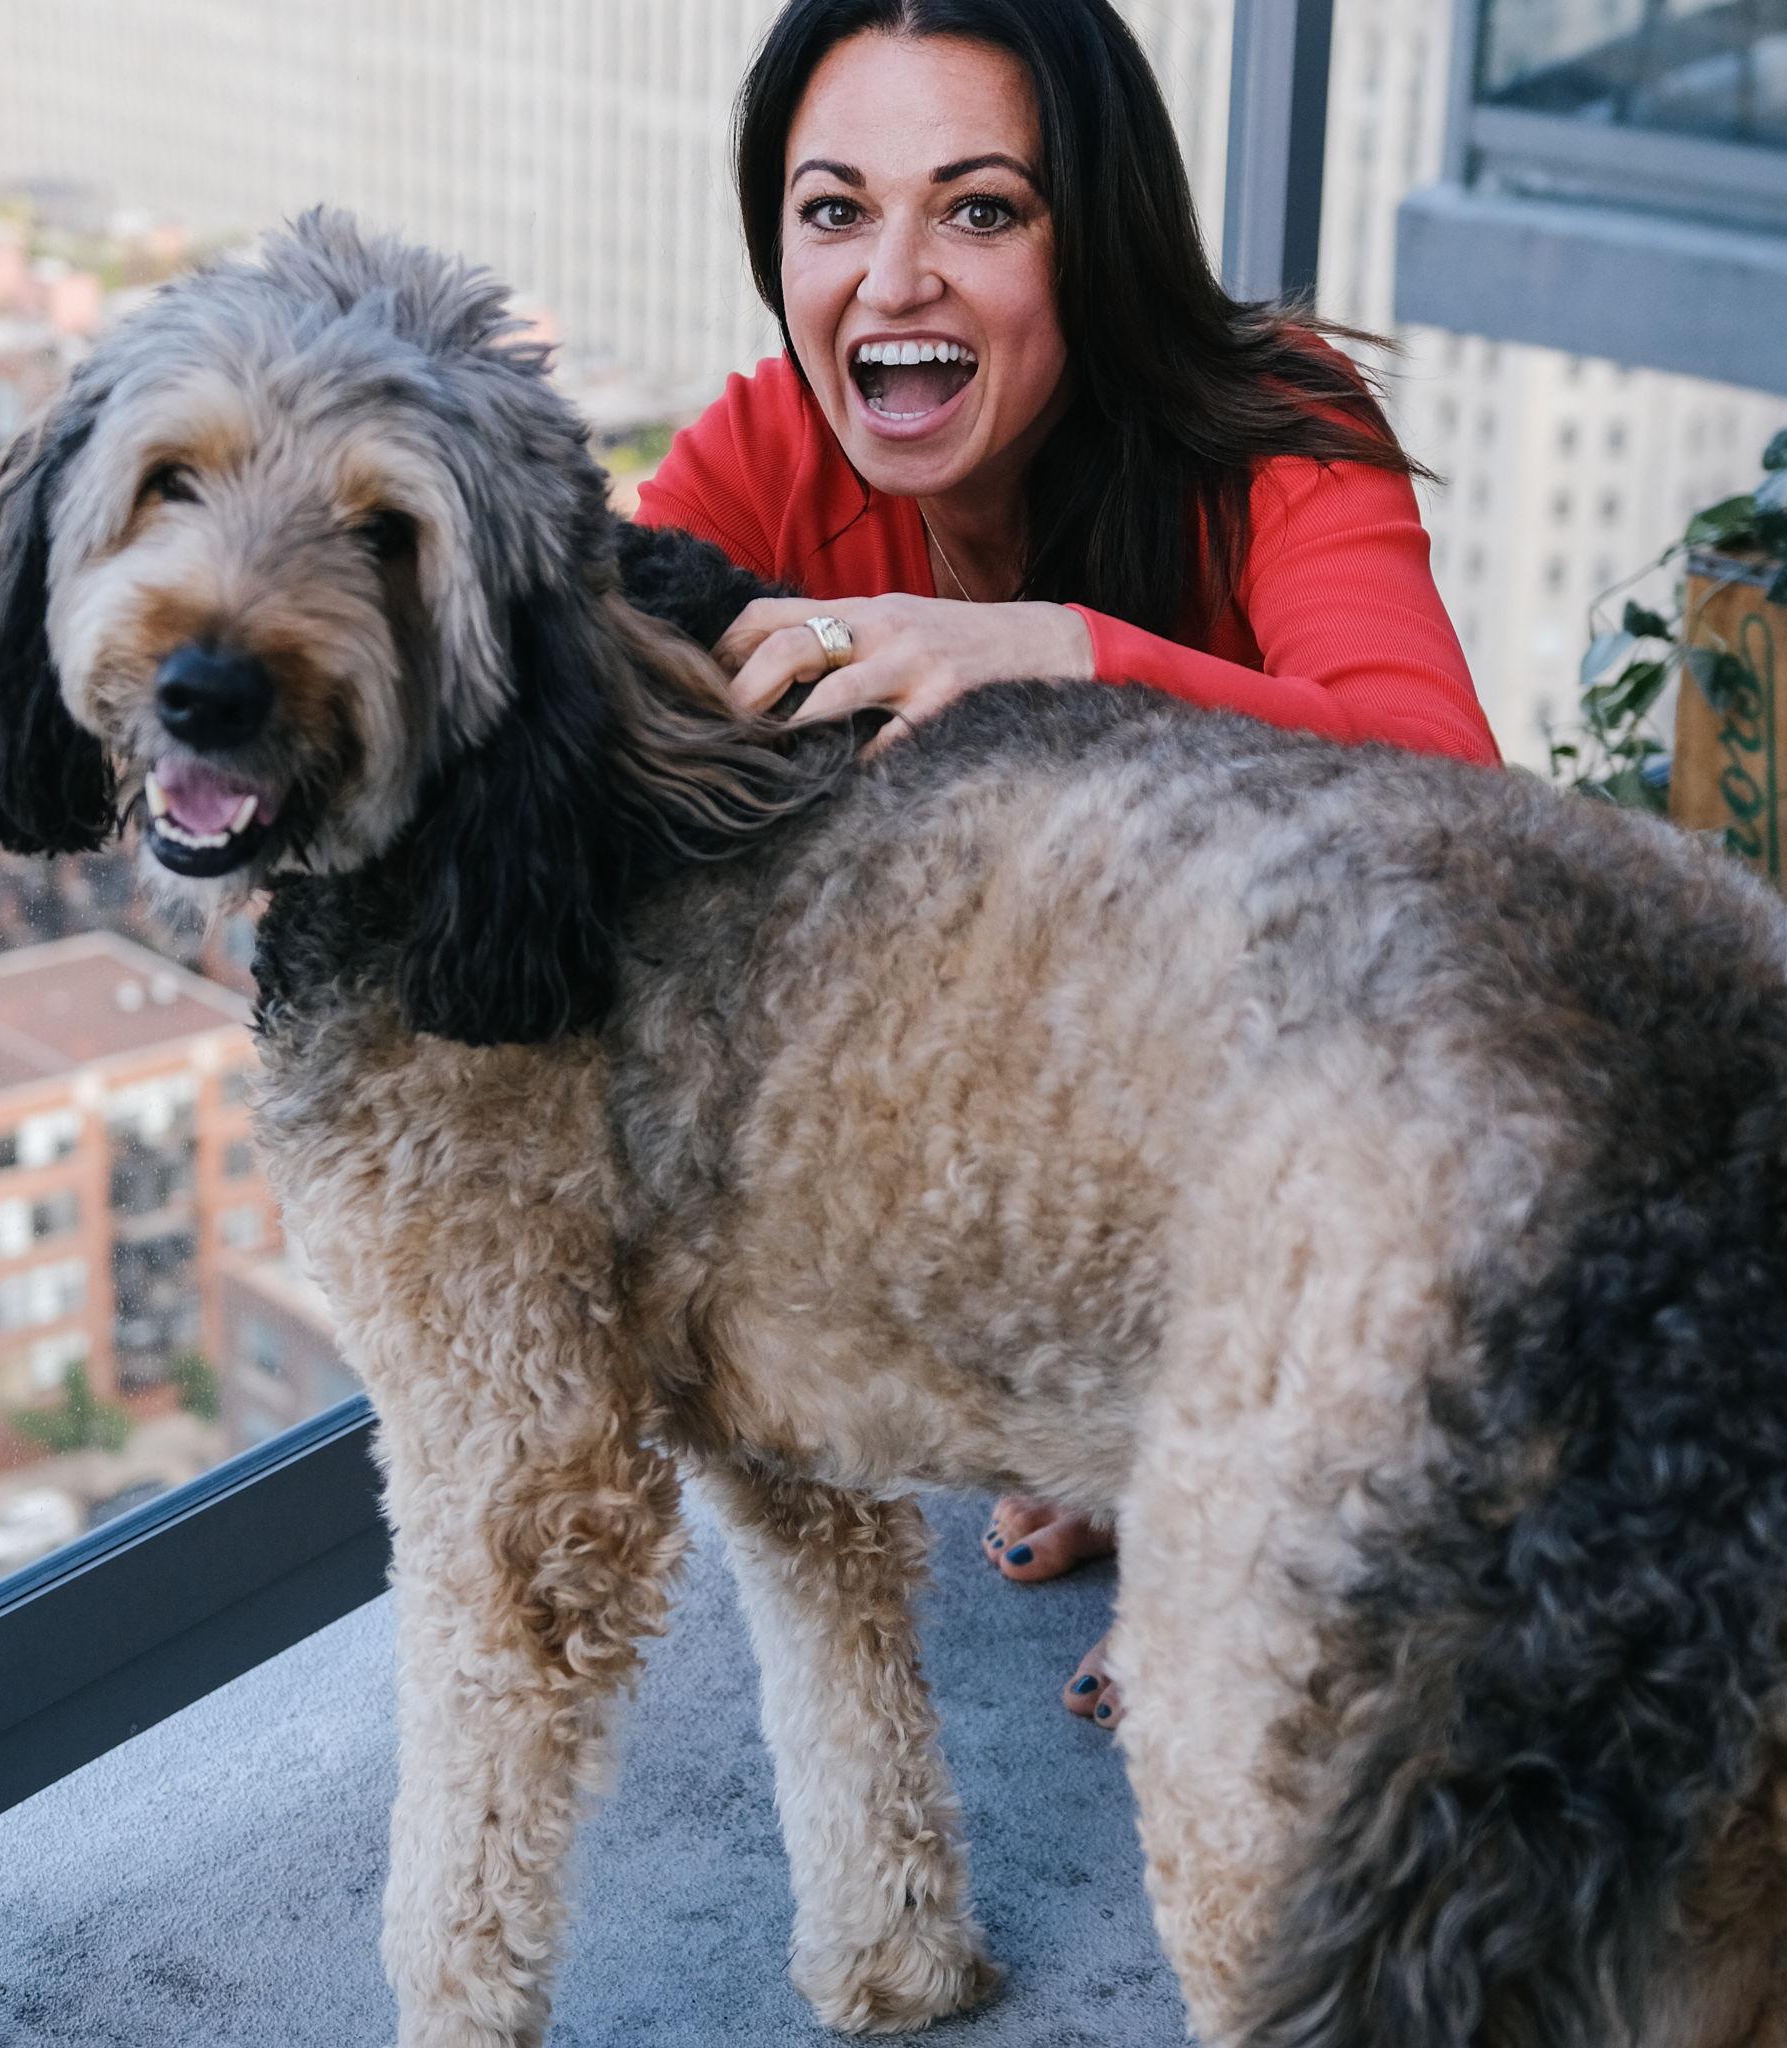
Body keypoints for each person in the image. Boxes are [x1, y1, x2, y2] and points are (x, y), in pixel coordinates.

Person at [634, 0, 1502, 1729]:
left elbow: (1461, 810)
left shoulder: (1277, 421)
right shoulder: (765, 447)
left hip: (1335, 1125)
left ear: (1090, 237)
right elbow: (558, 699)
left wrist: (1065, 653)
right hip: (1033, 1150)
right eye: (834, 210)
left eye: (980, 209)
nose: (893, 280)